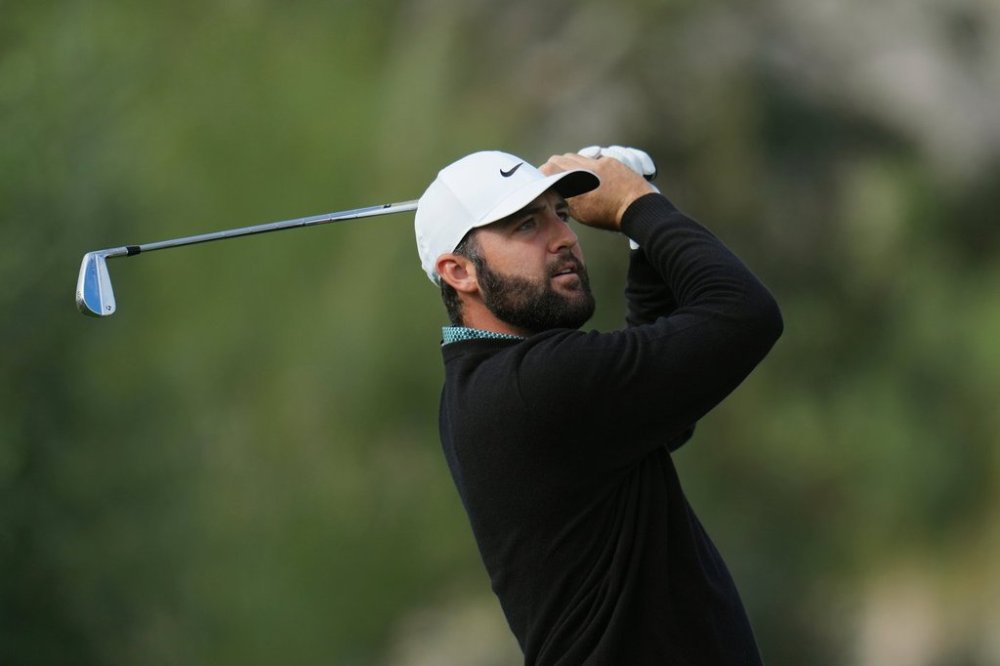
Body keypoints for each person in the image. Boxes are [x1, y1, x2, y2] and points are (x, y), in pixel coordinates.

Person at [414, 147, 783, 665]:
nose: (564, 237)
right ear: (458, 271)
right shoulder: (536, 384)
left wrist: (641, 239)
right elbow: (744, 314)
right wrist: (637, 203)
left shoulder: (486, 384)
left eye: (560, 215)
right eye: (526, 225)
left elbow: (661, 412)